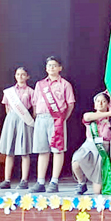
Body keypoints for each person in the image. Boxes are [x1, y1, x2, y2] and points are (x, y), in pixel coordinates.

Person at [29, 57, 75, 193]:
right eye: (49, 65)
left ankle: (54, 181)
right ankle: (40, 182)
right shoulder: (40, 85)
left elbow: (70, 104)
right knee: (42, 150)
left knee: (57, 149)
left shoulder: (65, 84)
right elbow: (35, 103)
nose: (51, 68)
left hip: (56, 120)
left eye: (54, 66)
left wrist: (62, 119)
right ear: (46, 68)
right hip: (41, 118)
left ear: (60, 68)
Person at [70, 92, 111, 195]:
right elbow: (87, 118)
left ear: (108, 104)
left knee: (97, 191)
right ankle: (81, 183)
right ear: (94, 104)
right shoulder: (90, 116)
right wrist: (110, 113)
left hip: (103, 151)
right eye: (98, 101)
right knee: (76, 162)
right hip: (89, 147)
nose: (100, 104)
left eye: (103, 101)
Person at [0, 67, 34, 189]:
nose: (20, 77)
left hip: (24, 120)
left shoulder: (31, 91)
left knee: (24, 151)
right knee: (9, 151)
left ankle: (24, 180)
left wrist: (30, 119)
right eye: (18, 74)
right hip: (11, 119)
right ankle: (7, 180)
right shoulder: (9, 92)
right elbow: (6, 107)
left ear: (27, 77)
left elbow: (35, 108)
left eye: (23, 74)